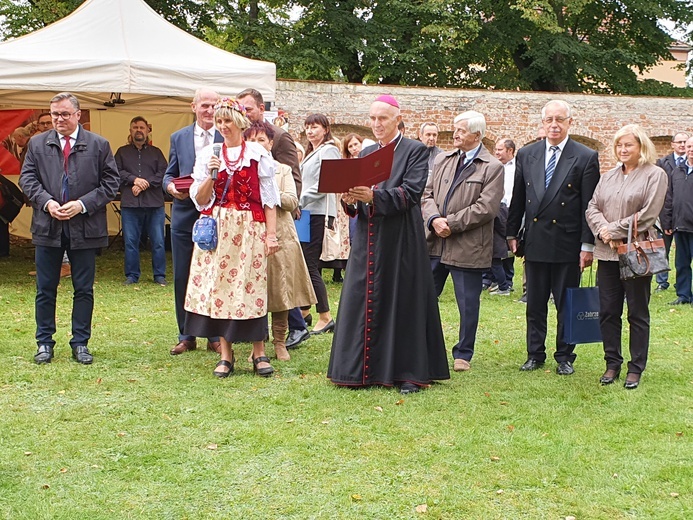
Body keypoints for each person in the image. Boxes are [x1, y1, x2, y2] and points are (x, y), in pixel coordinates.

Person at [327, 94, 450, 394]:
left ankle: (407, 371)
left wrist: (374, 197)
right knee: (362, 299)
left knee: (402, 301)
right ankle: (359, 370)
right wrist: (350, 200)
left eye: (382, 118)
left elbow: (411, 193)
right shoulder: (368, 151)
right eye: (372, 118)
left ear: (397, 119)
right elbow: (358, 200)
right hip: (368, 239)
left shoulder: (415, 150)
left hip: (401, 241)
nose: (376, 124)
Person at [19, 92, 120, 365]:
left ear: (78, 115)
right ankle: (44, 342)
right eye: (54, 115)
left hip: (85, 227)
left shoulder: (99, 145)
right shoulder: (37, 144)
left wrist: (83, 204)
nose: (59, 119)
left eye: (64, 114)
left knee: (84, 289)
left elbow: (111, 183)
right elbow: (27, 179)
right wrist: (46, 202)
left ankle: (80, 343)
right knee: (45, 288)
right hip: (47, 225)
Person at [184, 97, 281, 378]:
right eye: (219, 121)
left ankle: (259, 352)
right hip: (220, 229)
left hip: (250, 228)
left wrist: (271, 236)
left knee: (251, 288)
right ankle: (226, 355)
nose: (223, 126)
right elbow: (201, 202)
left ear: (239, 122)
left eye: (227, 120)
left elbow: (269, 200)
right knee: (221, 289)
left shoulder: (257, 153)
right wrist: (210, 177)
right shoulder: (208, 155)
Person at [507, 100, 600, 375]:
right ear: (543, 123)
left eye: (560, 119)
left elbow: (588, 205)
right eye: (549, 120)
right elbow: (518, 198)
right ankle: (535, 354)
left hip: (567, 243)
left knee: (566, 303)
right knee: (535, 303)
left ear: (570, 122)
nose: (554, 125)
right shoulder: (527, 153)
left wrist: (587, 245)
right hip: (536, 241)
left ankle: (565, 356)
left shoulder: (584, 156)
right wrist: (512, 232)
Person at [586, 125, 667, 389]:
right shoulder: (608, 176)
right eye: (619, 145)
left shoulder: (655, 175)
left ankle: (636, 367)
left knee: (637, 312)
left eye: (628, 145)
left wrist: (615, 229)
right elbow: (593, 207)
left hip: (637, 253)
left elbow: (648, 214)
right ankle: (612, 363)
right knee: (608, 311)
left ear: (641, 146)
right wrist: (603, 231)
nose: (623, 150)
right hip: (607, 253)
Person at [421, 111, 504, 372]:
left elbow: (486, 208)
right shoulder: (444, 159)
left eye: (461, 130)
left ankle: (463, 353)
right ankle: (421, 345)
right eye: (455, 129)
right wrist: (434, 219)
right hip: (435, 243)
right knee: (423, 297)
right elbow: (426, 194)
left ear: (477, 135)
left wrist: (452, 224)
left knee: (468, 303)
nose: (455, 134)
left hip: (468, 246)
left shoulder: (492, 167)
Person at [243, 121, 316, 361]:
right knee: (255, 290)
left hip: (281, 236)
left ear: (271, 144)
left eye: (261, 140)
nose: (257, 145)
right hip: (251, 236)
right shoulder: (241, 169)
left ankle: (280, 342)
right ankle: (258, 345)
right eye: (251, 140)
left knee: (280, 290)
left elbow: (291, 201)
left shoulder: (281, 169)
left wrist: (267, 187)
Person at [163, 88, 223, 355]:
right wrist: (170, 188)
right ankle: (186, 334)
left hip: (217, 213)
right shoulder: (179, 137)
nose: (209, 111)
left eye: (214, 106)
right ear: (194, 107)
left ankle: (214, 334)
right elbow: (169, 174)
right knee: (182, 275)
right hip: (184, 212)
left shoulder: (227, 134)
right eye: (205, 106)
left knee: (214, 274)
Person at [115, 116, 168, 286]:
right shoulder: (122, 152)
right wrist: (133, 180)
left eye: (142, 127)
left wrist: (144, 184)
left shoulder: (157, 152)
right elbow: (115, 172)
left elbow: (164, 173)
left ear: (148, 131)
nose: (139, 130)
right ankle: (132, 275)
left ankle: (159, 275)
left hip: (154, 204)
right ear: (130, 131)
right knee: (130, 242)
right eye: (135, 127)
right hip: (131, 204)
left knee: (158, 241)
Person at [299, 114, 339, 333]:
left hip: (316, 213)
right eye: (307, 127)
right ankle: (304, 312)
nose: (310, 131)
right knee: (304, 264)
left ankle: (325, 315)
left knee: (311, 265)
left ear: (325, 129)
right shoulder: (311, 153)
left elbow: (326, 184)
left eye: (314, 127)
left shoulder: (329, 150)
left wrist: (298, 201)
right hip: (305, 213)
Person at [654, 132, 689, 292]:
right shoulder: (663, 162)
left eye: (685, 142)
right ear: (673, 144)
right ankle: (662, 281)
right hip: (666, 212)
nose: (682, 145)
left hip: (686, 215)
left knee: (683, 255)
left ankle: (683, 287)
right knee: (663, 249)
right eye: (679, 142)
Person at [662, 136, 693, 306]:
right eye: (689, 146)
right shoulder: (677, 171)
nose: (690, 149)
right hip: (680, 226)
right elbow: (669, 198)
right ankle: (684, 295)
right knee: (681, 264)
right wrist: (668, 223)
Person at [494, 138, 517, 293]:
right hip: (496, 208)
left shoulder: (518, 168)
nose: (496, 152)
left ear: (510, 151)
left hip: (509, 209)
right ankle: (494, 280)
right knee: (496, 245)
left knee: (508, 244)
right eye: (496, 149)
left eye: (500, 149)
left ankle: (507, 281)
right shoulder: (495, 167)